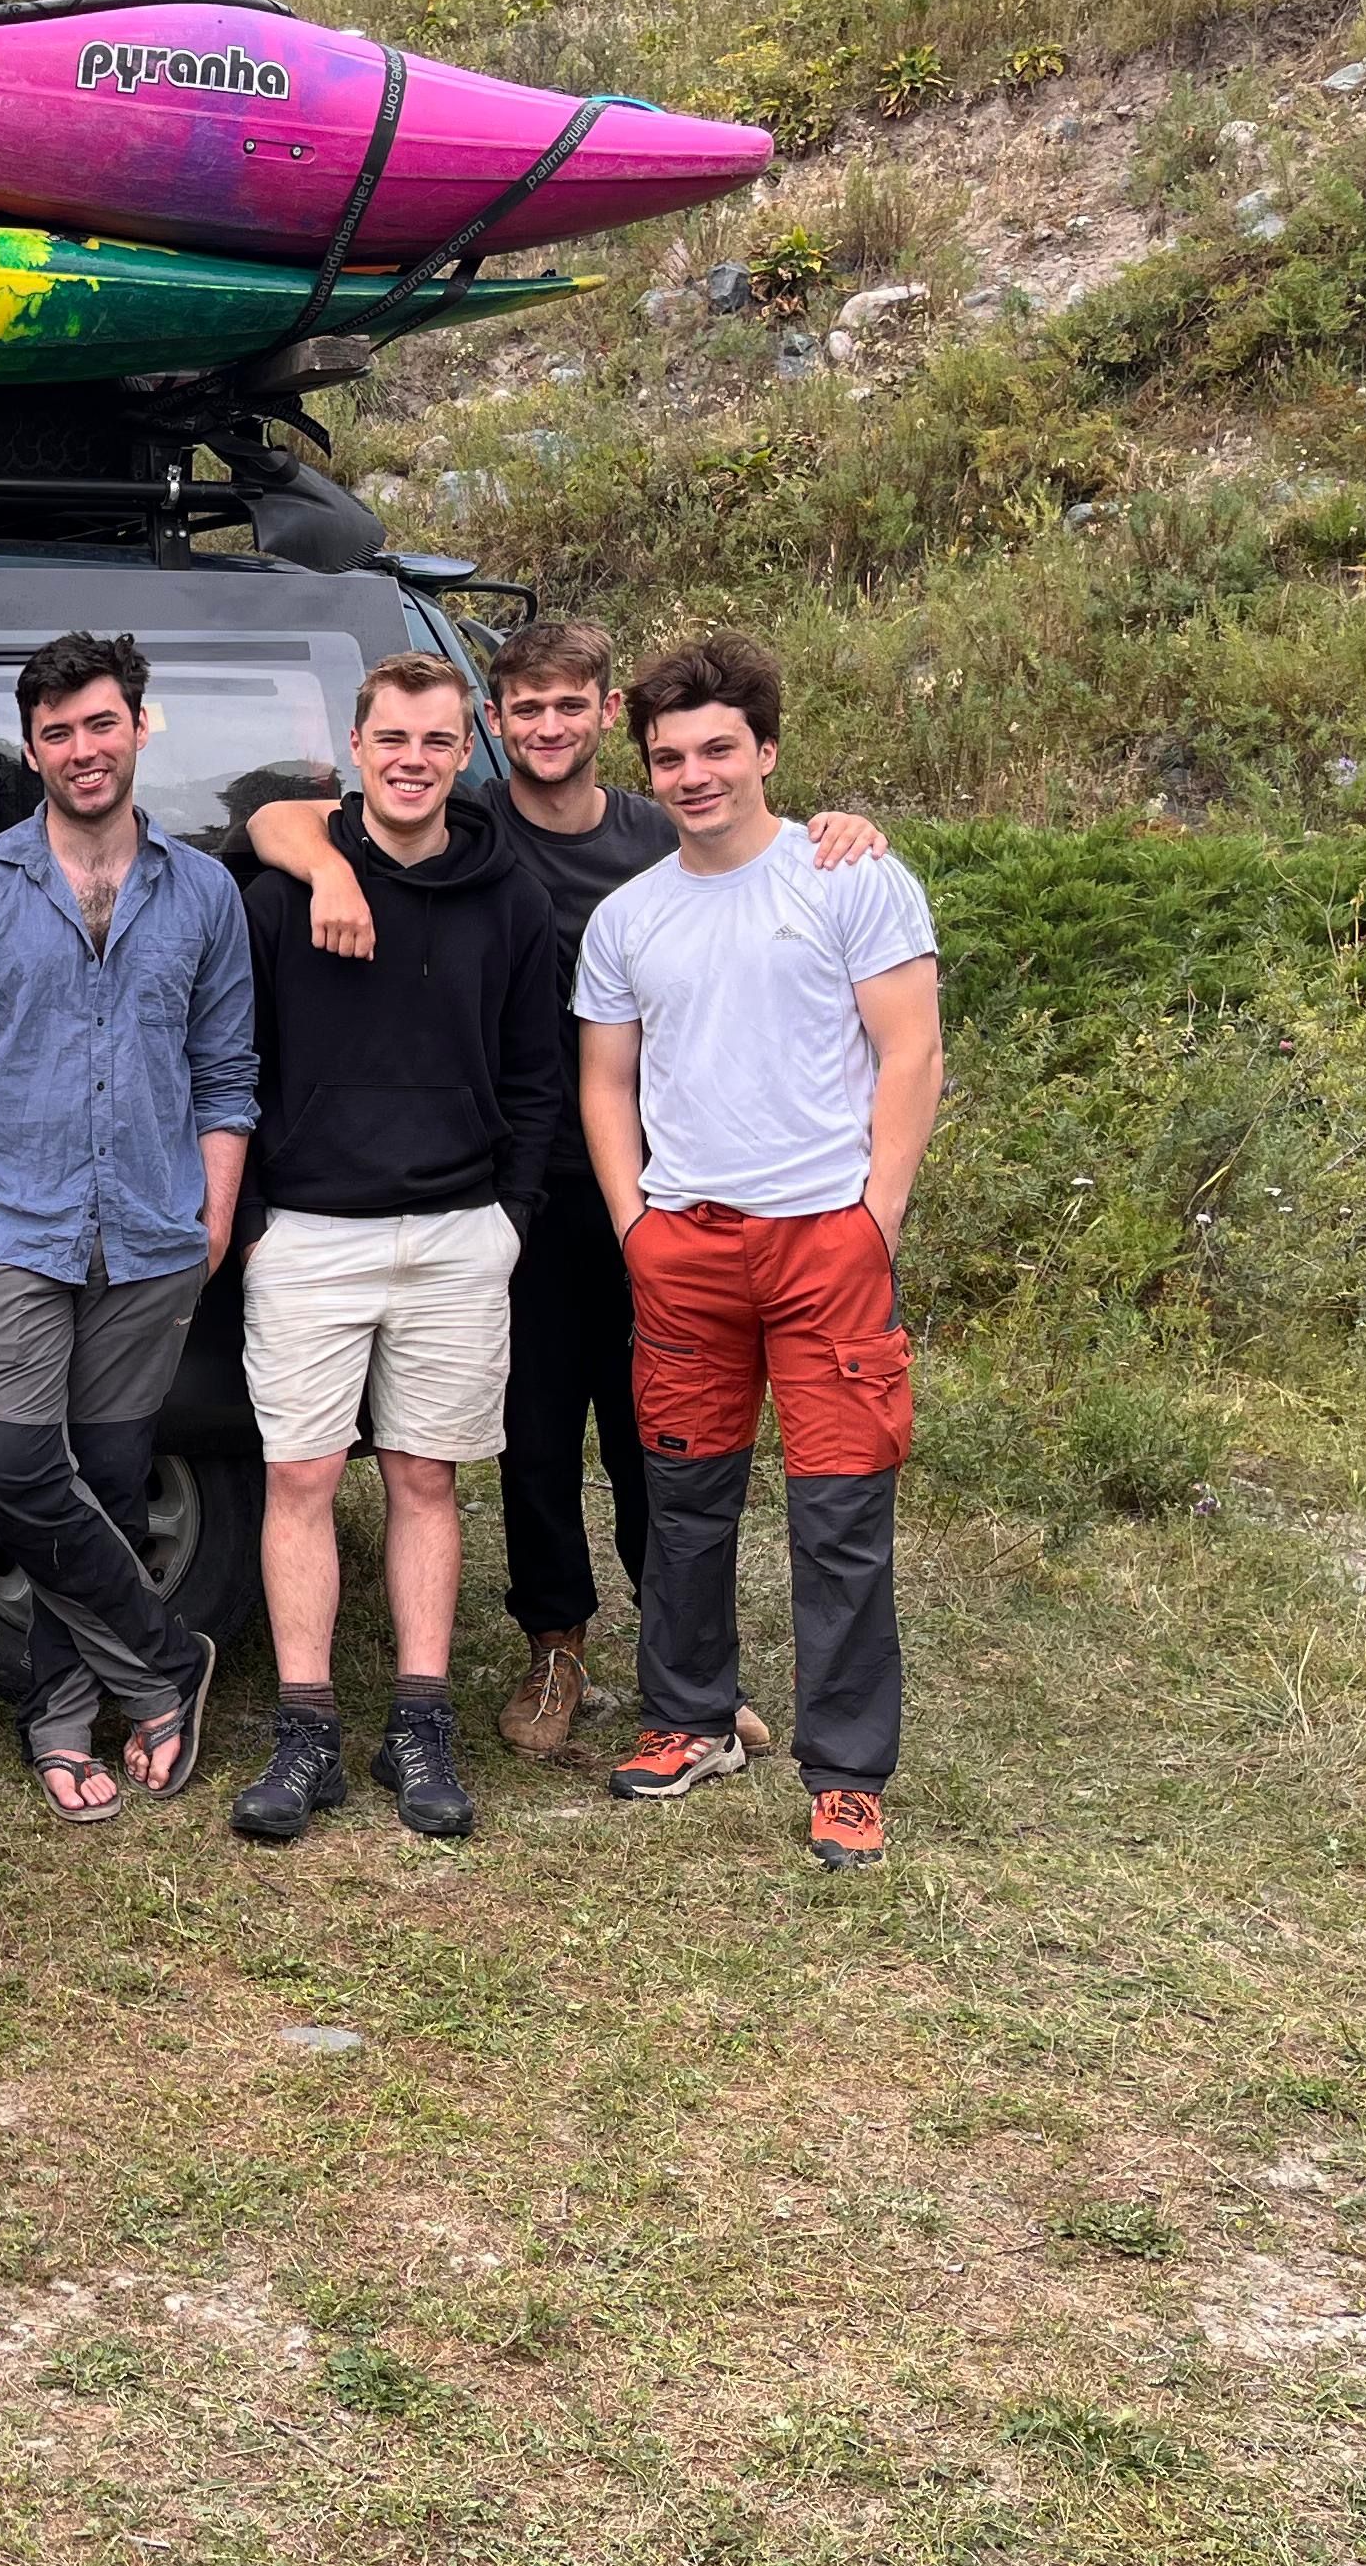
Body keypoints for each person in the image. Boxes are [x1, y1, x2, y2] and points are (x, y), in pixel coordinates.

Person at [239, 617, 886, 1759]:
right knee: (533, 1434)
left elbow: (757, 849)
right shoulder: (475, 831)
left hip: (663, 1180)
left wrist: (843, 831)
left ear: (605, 717)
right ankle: (555, 1648)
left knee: (661, 1439)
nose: (546, 727)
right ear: (495, 725)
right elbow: (284, 818)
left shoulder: (658, 828)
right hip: (526, 1179)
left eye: (569, 706)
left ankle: (680, 1672)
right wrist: (330, 858)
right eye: (522, 708)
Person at [0, 629, 255, 1826]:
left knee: (114, 1479)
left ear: (140, 727)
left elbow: (226, 1071)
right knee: (8, 1466)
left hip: (151, 1229)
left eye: (100, 724)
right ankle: (164, 1658)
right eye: (56, 733)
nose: (81, 750)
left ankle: (60, 1719)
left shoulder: (205, 892)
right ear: (28, 748)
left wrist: (215, 1217)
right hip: (6, 1226)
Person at [574, 630, 941, 1871]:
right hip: (686, 1248)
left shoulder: (849, 878)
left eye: (718, 748)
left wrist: (873, 1220)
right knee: (683, 1503)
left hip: (826, 1246)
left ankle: (845, 1770)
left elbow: (912, 1053)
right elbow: (607, 1084)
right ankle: (689, 1720)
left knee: (841, 1512)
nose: (693, 773)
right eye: (669, 755)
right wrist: (636, 1225)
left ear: (766, 752)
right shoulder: (628, 917)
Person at [225, 654, 564, 1845]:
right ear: (354, 750)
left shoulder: (509, 899)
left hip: (459, 1233)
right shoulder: (278, 895)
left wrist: (508, 1218)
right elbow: (233, 1065)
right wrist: (259, 1224)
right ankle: (304, 1731)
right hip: (311, 1231)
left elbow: (536, 1075)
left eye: (435, 740)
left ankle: (421, 1726)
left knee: (425, 1478)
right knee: (301, 1479)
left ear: (464, 749)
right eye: (392, 740)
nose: (413, 760)